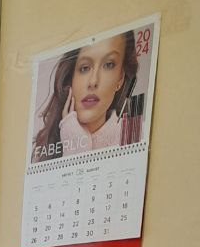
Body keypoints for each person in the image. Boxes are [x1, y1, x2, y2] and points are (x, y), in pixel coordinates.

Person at [32, 30, 138, 162]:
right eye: (85, 68)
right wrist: (74, 146)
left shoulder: (134, 138)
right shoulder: (42, 148)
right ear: (71, 77)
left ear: (120, 79)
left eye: (108, 65)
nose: (93, 81)